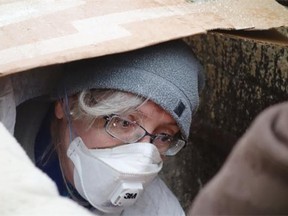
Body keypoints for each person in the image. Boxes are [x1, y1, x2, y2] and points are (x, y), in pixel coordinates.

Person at [14, 40, 204, 215]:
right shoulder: (8, 156)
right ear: (67, 104)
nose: (143, 154)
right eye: (124, 123)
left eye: (164, 136)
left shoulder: (158, 211)